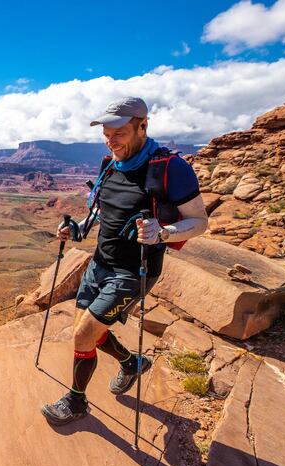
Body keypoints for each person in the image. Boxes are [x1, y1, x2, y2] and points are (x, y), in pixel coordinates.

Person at [41, 96, 209, 426]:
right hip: (99, 264)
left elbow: (200, 222)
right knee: (86, 331)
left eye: (118, 132)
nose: (111, 139)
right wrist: (75, 229)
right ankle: (132, 363)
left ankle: (76, 402)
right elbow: (98, 214)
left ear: (142, 126)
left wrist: (161, 231)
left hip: (134, 271)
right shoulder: (110, 166)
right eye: (106, 132)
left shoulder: (170, 168)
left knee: (82, 336)